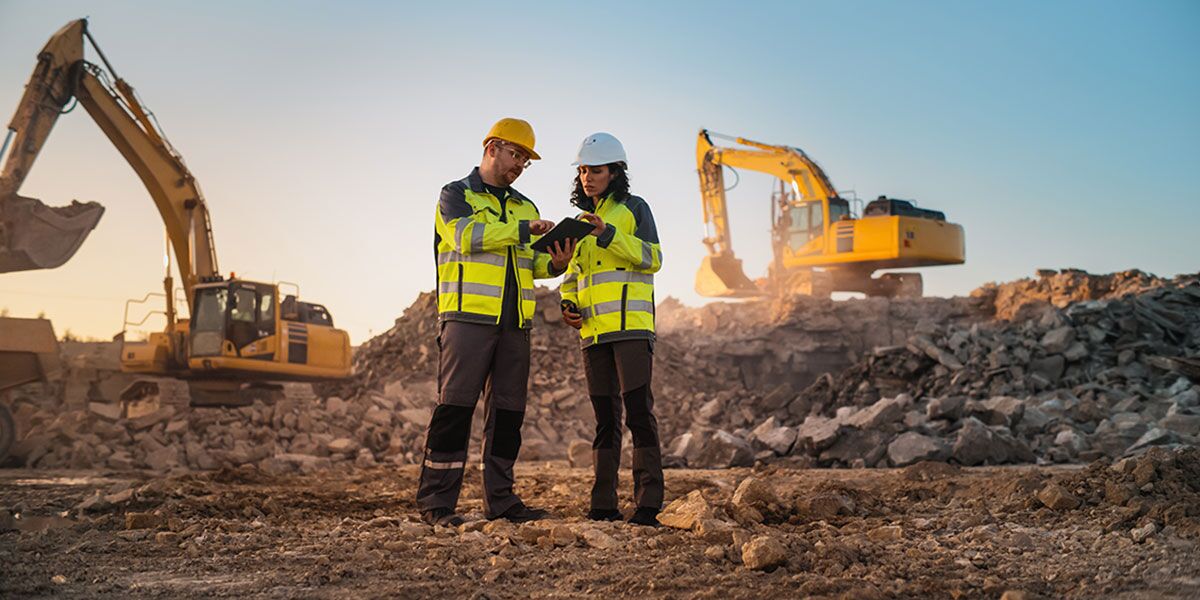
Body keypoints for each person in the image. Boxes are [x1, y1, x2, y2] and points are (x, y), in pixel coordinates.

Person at [417, 118, 573, 526]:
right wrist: (523, 230)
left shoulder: (526, 205)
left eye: (525, 159)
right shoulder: (456, 194)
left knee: (508, 415)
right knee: (455, 408)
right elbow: (465, 236)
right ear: (492, 149)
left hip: (515, 323)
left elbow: (534, 262)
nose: (520, 164)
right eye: (515, 155)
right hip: (466, 319)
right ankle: (437, 505)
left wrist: (556, 263)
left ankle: (501, 501)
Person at [559, 133, 665, 526]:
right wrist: (567, 302)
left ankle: (648, 504)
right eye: (583, 170)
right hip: (593, 335)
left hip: (632, 331)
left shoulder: (635, 209)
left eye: (596, 170)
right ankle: (603, 504)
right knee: (605, 420)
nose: (587, 177)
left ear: (615, 172)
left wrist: (608, 234)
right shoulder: (579, 223)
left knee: (638, 414)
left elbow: (653, 258)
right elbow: (573, 275)